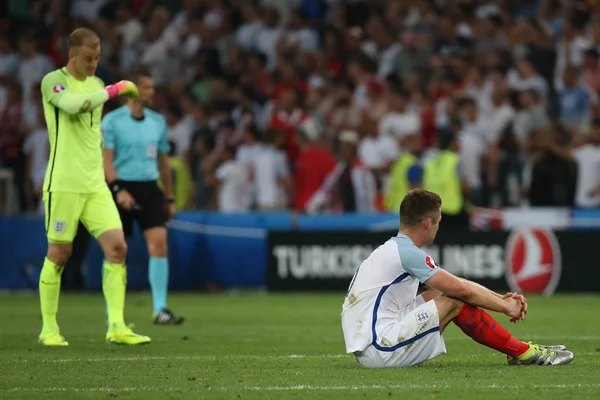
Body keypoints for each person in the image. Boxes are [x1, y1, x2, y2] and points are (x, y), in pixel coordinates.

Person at [341, 189, 574, 368]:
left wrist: (499, 298)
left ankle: (519, 350)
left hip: (370, 344)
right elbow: (461, 291)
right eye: (438, 222)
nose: (438, 228)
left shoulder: (393, 248)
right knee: (455, 298)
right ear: (427, 223)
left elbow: (457, 284)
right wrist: (505, 307)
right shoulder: (408, 253)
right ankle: (523, 352)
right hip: (378, 350)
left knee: (446, 292)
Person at [38, 28, 150, 346]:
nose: (93, 64)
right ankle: (49, 329)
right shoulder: (53, 81)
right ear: (71, 55)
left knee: (118, 247)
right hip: (64, 183)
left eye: (98, 58)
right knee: (60, 254)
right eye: (88, 58)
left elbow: (94, 132)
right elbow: (74, 106)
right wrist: (116, 90)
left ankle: (116, 326)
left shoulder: (98, 84)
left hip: (94, 184)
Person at [102, 66, 184, 325]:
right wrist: (118, 190)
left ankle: (160, 308)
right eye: (147, 87)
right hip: (120, 187)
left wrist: (169, 198)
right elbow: (106, 162)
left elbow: (163, 163)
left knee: (159, 245)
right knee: (116, 250)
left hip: (149, 188)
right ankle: (112, 312)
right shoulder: (112, 122)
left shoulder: (157, 122)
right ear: (133, 90)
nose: (152, 91)